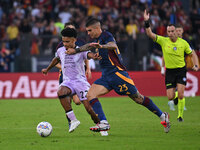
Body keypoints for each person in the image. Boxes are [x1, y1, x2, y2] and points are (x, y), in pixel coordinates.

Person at [66, 17, 171, 133]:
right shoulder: (97, 40)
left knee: (138, 98)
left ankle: (162, 116)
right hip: (106, 76)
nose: (88, 33)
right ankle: (103, 123)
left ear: (97, 28)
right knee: (90, 95)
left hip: (118, 74)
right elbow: (88, 46)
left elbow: (113, 45)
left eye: (90, 30)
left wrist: (102, 47)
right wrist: (75, 51)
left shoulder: (106, 36)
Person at [42, 28, 106, 133]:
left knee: (90, 110)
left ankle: (101, 126)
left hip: (81, 83)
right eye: (63, 41)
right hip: (68, 82)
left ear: (74, 40)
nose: (65, 44)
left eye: (67, 41)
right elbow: (56, 59)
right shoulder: (60, 50)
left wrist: (94, 56)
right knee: (60, 91)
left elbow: (88, 55)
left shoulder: (80, 50)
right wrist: (47, 69)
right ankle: (73, 120)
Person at [144, 10, 199, 122]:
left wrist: (196, 65)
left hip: (181, 70)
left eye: (172, 31)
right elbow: (150, 34)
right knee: (170, 97)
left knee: (181, 94)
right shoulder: (164, 41)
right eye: (168, 31)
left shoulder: (183, 43)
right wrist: (146, 22)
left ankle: (180, 116)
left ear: (176, 32)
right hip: (169, 71)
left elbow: (192, 54)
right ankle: (175, 100)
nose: (170, 33)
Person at [161, 25, 199, 112]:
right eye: (176, 30)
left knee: (180, 90)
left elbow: (192, 53)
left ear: (182, 32)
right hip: (171, 69)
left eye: (179, 31)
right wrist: (162, 68)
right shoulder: (169, 41)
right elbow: (164, 55)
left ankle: (181, 103)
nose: (177, 32)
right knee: (172, 93)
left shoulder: (185, 42)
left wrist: (195, 65)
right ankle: (173, 100)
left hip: (182, 67)